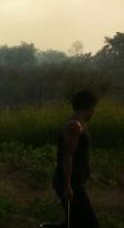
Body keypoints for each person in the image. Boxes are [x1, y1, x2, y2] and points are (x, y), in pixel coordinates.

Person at [42, 90, 99, 228]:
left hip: (73, 182)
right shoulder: (74, 126)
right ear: (88, 107)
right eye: (93, 108)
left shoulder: (77, 124)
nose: (93, 112)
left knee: (73, 222)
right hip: (70, 183)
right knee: (90, 223)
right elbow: (68, 156)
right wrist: (68, 186)